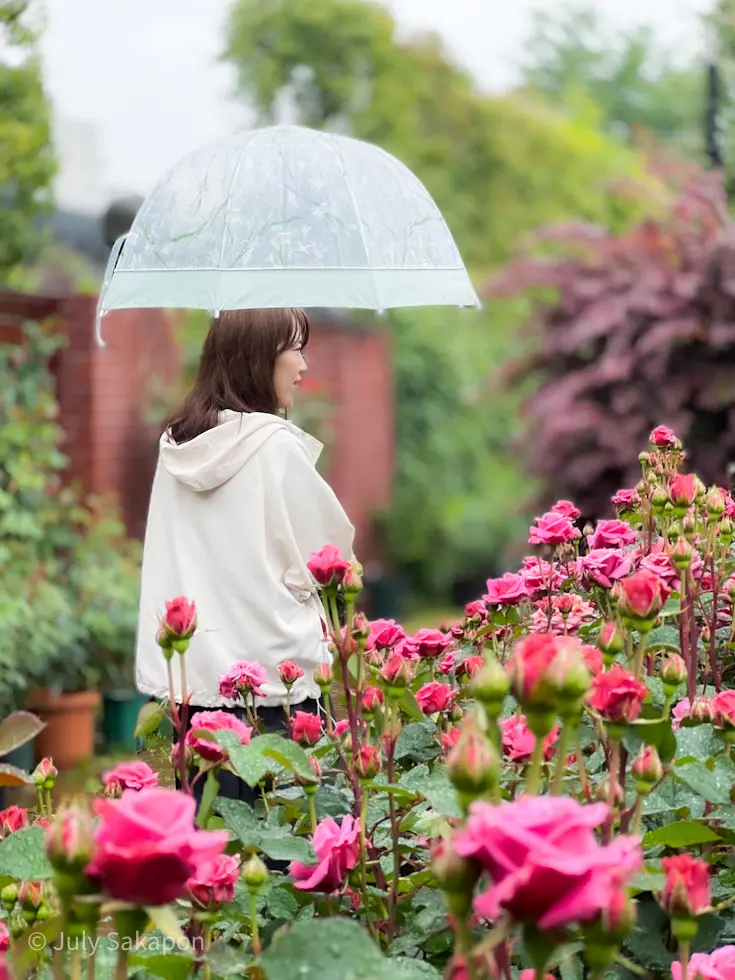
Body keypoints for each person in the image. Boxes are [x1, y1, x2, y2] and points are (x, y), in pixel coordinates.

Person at [135, 308, 355, 804]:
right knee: (289, 829)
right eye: (295, 350)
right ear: (259, 357)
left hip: (197, 686)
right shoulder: (274, 448)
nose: (303, 366)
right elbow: (330, 556)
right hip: (277, 684)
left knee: (215, 828)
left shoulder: (175, 448)